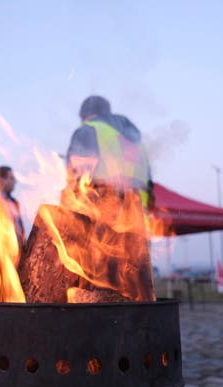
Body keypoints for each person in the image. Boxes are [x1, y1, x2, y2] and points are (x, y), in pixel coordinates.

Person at [62, 95, 156, 301]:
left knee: (99, 296)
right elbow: (149, 189)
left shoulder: (88, 130)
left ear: (85, 115)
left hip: (102, 228)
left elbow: (75, 177)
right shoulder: (135, 142)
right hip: (137, 226)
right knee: (136, 294)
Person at [0, 165, 25, 249]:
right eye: (11, 178)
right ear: (1, 180)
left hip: (17, 251)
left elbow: (19, 229)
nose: (15, 181)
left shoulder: (14, 202)